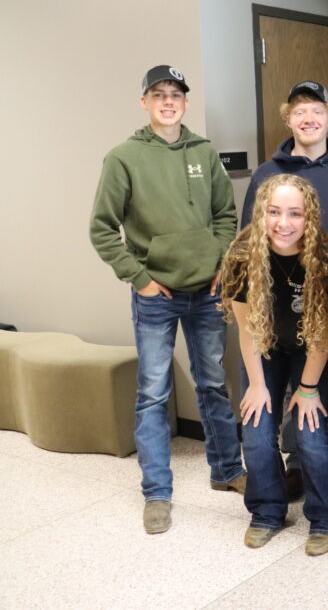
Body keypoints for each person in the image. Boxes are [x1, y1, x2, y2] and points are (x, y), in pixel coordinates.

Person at [89, 65, 245, 535]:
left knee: (214, 384)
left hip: (207, 291)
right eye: (159, 94)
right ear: (144, 102)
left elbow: (225, 214)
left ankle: (227, 470)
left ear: (184, 101)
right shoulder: (124, 157)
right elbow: (102, 228)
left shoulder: (203, 151)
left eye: (176, 93)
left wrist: (221, 264)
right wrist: (139, 278)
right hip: (157, 295)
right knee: (154, 393)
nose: (168, 101)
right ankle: (156, 493)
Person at [242, 80, 328, 495]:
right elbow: (250, 235)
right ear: (288, 119)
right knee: (290, 382)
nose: (309, 119)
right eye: (300, 112)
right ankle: (298, 460)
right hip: (279, 300)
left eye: (317, 111)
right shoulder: (268, 175)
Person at [221, 174, 328, 556]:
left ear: (310, 217)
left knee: (309, 432)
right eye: (274, 212)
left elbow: (325, 335)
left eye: (295, 213)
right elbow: (246, 330)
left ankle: (327, 518)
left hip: (315, 348)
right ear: (261, 213)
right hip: (267, 348)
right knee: (257, 429)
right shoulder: (242, 255)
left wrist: (307, 390)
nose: (283, 222)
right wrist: (257, 386)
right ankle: (266, 512)